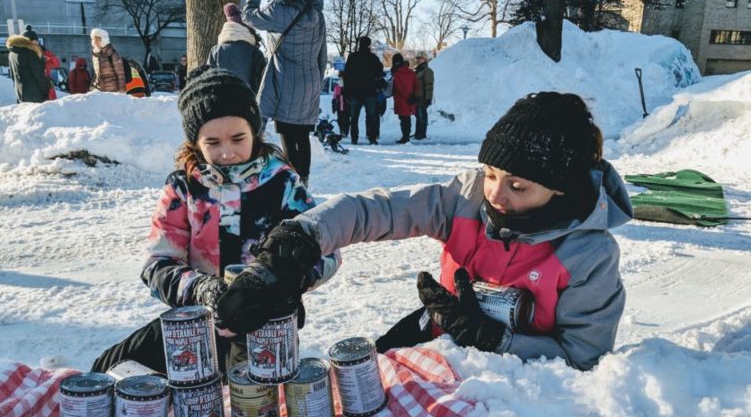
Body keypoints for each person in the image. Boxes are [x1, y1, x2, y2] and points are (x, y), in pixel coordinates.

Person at [216, 92, 633, 372]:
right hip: (439, 332)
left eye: (518, 186)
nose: (496, 194)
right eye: (490, 174)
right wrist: (301, 238)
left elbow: (584, 359)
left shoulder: (588, 255)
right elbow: (377, 210)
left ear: (561, 189)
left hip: (514, 386)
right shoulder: (465, 199)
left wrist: (496, 341)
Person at [90, 68, 339, 377]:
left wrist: (279, 283)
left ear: (255, 133)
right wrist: (202, 288)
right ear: (196, 143)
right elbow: (158, 264)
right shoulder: (183, 187)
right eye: (213, 142)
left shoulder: (283, 183)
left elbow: (326, 251)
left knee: (251, 405)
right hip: (199, 318)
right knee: (107, 369)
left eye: (238, 138)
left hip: (265, 324)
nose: (227, 152)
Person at [242, 0, 327, 187]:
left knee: (288, 133)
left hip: (286, 81)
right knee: (302, 135)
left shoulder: (278, 10)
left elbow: (248, 15)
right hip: (310, 82)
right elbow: (322, 53)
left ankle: (294, 184)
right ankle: (304, 181)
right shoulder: (315, 12)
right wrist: (316, 82)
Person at [207, 3, 266, 94]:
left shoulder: (215, 51)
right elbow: (261, 84)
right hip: (247, 102)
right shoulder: (255, 53)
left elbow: (208, 81)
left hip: (220, 103)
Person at [343, 36, 384, 145]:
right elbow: (380, 72)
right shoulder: (373, 58)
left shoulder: (352, 57)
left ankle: (354, 138)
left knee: (354, 117)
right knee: (371, 116)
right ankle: (372, 137)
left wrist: (346, 92)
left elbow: (346, 75)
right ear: (369, 45)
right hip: (370, 91)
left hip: (355, 91)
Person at [5, 29, 48, 103]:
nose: (36, 43)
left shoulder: (12, 53)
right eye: (35, 41)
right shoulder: (29, 53)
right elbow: (38, 75)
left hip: (20, 93)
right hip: (35, 95)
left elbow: (12, 75)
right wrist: (45, 91)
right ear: (28, 41)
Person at [391, 53, 419, 144]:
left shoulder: (396, 74)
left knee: (403, 119)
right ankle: (406, 136)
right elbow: (417, 85)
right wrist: (414, 96)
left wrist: (407, 96)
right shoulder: (411, 72)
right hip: (411, 99)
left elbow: (399, 87)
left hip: (401, 100)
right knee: (407, 118)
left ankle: (405, 137)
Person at [90, 28, 126, 93]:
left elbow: (120, 74)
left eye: (98, 39)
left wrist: (122, 91)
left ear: (104, 40)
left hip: (112, 91)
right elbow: (96, 74)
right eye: (94, 39)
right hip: (100, 89)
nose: (95, 42)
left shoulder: (112, 53)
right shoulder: (95, 55)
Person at [413, 53, 434, 140]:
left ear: (424, 59)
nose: (417, 59)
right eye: (417, 58)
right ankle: (418, 133)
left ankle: (422, 134)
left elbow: (429, 85)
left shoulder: (427, 71)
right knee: (418, 116)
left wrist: (428, 98)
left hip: (423, 98)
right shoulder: (418, 70)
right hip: (417, 97)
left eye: (419, 58)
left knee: (422, 116)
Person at [331, 71, 350, 137]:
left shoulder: (348, 87)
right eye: (339, 78)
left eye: (341, 78)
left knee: (346, 120)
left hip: (347, 107)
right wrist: (333, 106)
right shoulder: (337, 87)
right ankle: (341, 131)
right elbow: (334, 97)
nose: (340, 80)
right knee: (340, 120)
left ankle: (345, 132)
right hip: (339, 106)